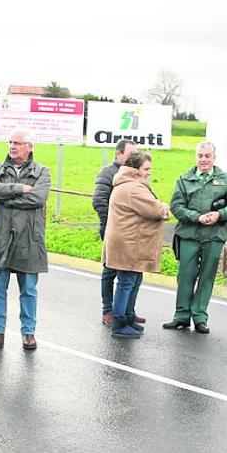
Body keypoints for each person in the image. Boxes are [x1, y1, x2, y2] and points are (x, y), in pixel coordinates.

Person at [0, 129, 50, 351]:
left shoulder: (42, 172)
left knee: (29, 290)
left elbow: (38, 198)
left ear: (30, 147)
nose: (12, 146)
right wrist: (18, 189)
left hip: (28, 239)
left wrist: (5, 199)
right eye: (10, 142)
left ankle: (28, 333)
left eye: (18, 142)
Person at [164, 141, 227, 334]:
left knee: (207, 276)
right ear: (196, 157)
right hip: (189, 235)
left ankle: (200, 316)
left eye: (207, 156)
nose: (203, 160)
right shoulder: (184, 179)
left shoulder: (226, 179)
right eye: (200, 156)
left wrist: (220, 214)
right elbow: (176, 206)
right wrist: (196, 217)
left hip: (214, 235)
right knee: (185, 275)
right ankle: (181, 316)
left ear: (214, 158)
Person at [103, 152, 170, 338]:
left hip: (127, 240)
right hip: (130, 242)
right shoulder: (134, 188)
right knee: (126, 282)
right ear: (135, 170)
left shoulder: (125, 184)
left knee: (133, 279)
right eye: (146, 169)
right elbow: (156, 210)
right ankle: (120, 322)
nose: (149, 173)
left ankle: (128, 317)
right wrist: (164, 206)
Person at [92, 139, 140, 326]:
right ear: (119, 154)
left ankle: (128, 310)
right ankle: (108, 310)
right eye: (130, 155)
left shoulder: (134, 175)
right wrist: (113, 224)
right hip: (113, 230)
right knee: (111, 270)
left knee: (132, 271)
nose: (134, 158)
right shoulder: (108, 173)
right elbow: (99, 201)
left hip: (131, 232)